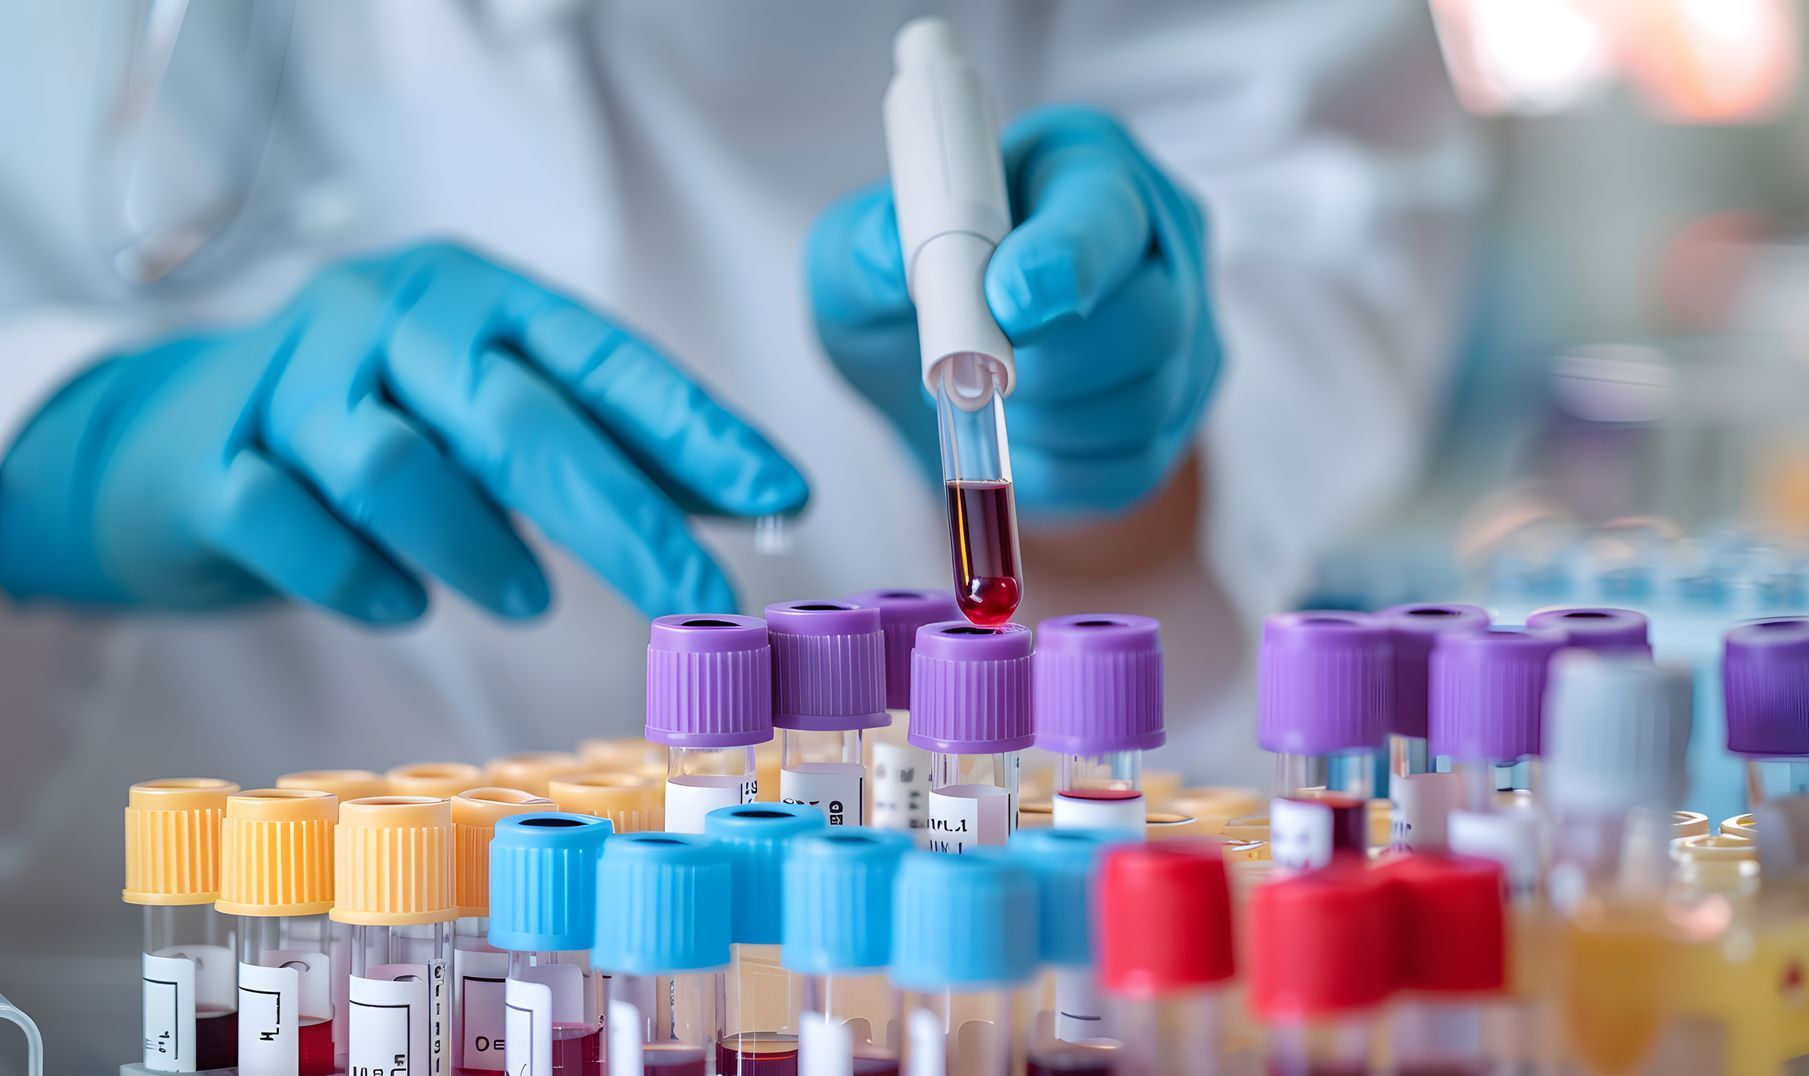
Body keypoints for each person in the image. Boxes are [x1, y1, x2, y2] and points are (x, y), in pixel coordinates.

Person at [0, 2, 1475, 1064]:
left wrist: (1119, 445)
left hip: (936, 946)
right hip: (116, 949)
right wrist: (49, 447)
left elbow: (1312, 179)